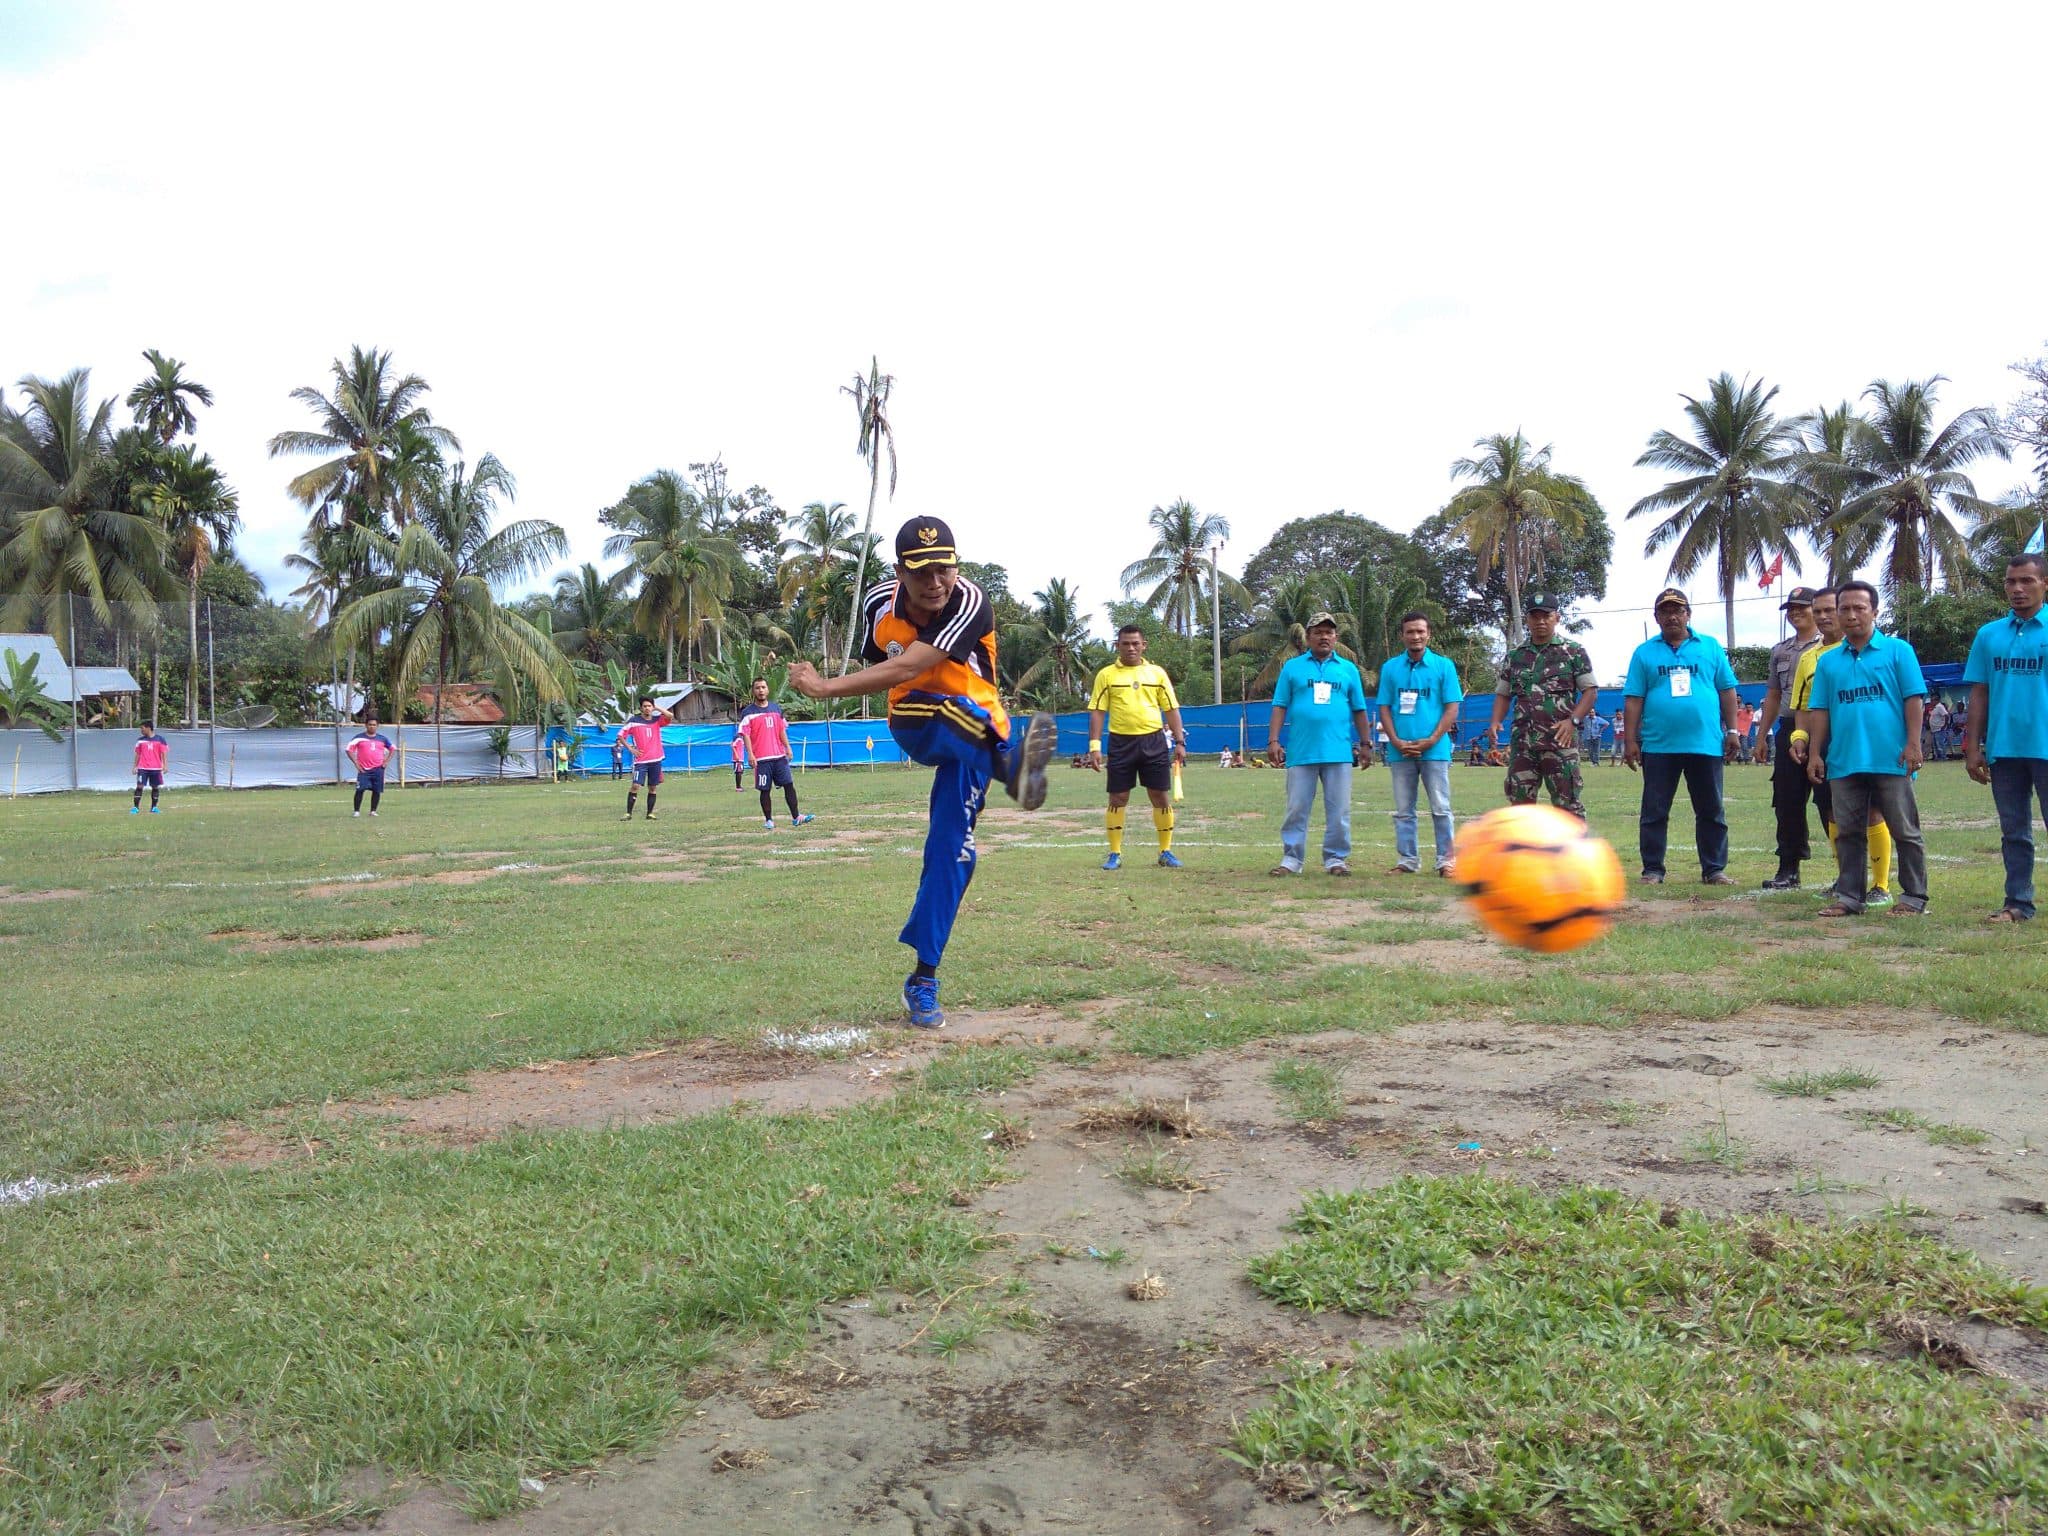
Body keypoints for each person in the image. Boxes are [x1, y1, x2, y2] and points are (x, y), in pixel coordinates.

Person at [789, 516, 1057, 1029]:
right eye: (922, 572)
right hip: (916, 719)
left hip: (980, 734)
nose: (935, 582)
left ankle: (923, 978)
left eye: (944, 569)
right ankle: (1015, 768)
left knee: (951, 853)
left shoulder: (970, 601)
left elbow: (910, 662)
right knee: (945, 710)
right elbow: (894, 670)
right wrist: (824, 682)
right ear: (900, 571)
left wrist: (825, 687)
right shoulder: (876, 605)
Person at [1805, 580, 1929, 916]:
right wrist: (1816, 753)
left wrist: (1914, 744)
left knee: (1905, 831)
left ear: (1875, 611)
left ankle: (1913, 898)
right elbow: (1820, 711)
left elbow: (1913, 699)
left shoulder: (1898, 651)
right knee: (1848, 834)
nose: (1851, 615)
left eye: (1859, 608)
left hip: (1891, 758)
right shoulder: (1829, 662)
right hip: (1844, 761)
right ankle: (1850, 898)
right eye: (1844, 608)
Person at [1621, 588, 1740, 885]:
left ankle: (1714, 869)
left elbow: (1727, 690)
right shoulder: (1644, 652)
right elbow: (1634, 698)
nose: (1672, 616)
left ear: (1689, 614)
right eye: (1665, 611)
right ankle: (1652, 870)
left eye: (1678, 610)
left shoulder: (1710, 647)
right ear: (1656, 617)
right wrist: (1631, 739)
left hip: (1705, 743)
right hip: (1659, 745)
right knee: (1654, 810)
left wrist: (1734, 730)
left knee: (1711, 809)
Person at [1787, 589, 1892, 904]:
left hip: (1864, 738)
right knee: (1833, 812)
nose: (1823, 617)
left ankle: (1881, 886)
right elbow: (1805, 708)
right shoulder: (1809, 658)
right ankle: (1847, 881)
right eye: (1817, 611)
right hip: (1825, 741)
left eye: (1828, 610)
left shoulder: (1876, 650)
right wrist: (1801, 739)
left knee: (1872, 811)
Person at [1963, 552, 2048, 923]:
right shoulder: (1989, 634)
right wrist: (1973, 747)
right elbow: (1979, 692)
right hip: (2004, 749)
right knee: (2014, 832)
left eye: (2027, 581)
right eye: (2011, 582)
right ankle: (2018, 904)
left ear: (2044, 584)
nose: (2018, 589)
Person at [1266, 612, 1372, 876]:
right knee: (1296, 809)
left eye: (1329, 632)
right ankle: (1291, 860)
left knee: (1339, 811)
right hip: (1301, 752)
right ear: (1308, 637)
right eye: (1318, 632)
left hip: (1338, 752)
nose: (1324, 636)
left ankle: (1336, 859)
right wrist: (1273, 740)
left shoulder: (1348, 670)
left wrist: (1366, 743)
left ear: (1335, 638)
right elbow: (1279, 706)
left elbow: (1359, 709)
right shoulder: (1292, 667)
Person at [1085, 624, 1188, 870]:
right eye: (1125, 643)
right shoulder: (1106, 675)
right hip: (1121, 743)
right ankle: (1114, 853)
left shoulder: (1157, 674)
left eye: (1135, 643)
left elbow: (1171, 709)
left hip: (1154, 741)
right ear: (1117, 645)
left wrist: (1180, 741)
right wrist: (1095, 746)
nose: (1130, 648)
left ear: (1144, 646)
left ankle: (1165, 851)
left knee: (1160, 796)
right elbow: (1098, 712)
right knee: (1118, 797)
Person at [1488, 592, 1596, 819]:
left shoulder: (1573, 651)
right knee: (1520, 809)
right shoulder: (1515, 656)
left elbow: (1590, 691)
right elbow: (1503, 694)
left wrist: (1573, 721)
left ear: (1557, 617)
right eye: (1535, 616)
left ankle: (1574, 855)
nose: (1540, 621)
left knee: (1568, 807)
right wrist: (1496, 722)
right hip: (1523, 744)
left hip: (1560, 743)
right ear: (1527, 620)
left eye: (1546, 616)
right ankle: (1523, 854)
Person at [1375, 611, 1462, 876]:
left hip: (1434, 750)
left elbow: (1452, 708)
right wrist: (1396, 741)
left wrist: (1433, 739)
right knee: (1404, 810)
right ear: (1402, 636)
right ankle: (1407, 861)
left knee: (1440, 807)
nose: (1416, 636)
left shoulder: (1444, 665)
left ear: (1428, 634)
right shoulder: (1390, 668)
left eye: (1420, 631)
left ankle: (1446, 861)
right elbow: (1384, 708)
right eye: (1410, 632)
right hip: (1400, 751)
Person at [1755, 587, 1823, 889]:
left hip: (1825, 728)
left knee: (1830, 800)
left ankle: (1847, 869)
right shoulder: (1780, 650)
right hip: (1788, 726)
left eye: (1802, 607)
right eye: (1790, 609)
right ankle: (1788, 868)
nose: (1795, 613)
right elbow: (1773, 694)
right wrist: (1761, 736)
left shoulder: (1833, 645)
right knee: (1786, 802)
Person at [736, 677, 814, 830]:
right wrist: (750, 754)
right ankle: (769, 820)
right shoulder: (748, 712)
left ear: (768, 690)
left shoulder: (776, 709)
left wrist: (788, 747)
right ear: (753, 691)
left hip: (779, 757)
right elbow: (745, 734)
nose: (761, 690)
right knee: (765, 789)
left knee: (789, 785)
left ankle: (796, 816)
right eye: (757, 688)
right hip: (762, 759)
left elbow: (781, 730)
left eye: (763, 687)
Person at [617, 697, 671, 821]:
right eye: (645, 706)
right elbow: (620, 735)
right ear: (641, 708)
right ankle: (628, 813)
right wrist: (631, 749)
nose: (647, 708)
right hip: (641, 761)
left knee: (652, 787)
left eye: (649, 706)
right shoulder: (634, 721)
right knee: (635, 785)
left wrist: (657, 707)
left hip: (656, 759)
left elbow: (670, 715)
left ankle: (650, 813)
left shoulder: (658, 720)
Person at [346, 714, 396, 818]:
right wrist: (356, 763)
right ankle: (356, 811)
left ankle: (373, 811)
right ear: (366, 725)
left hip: (378, 769)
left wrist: (386, 762)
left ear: (377, 726)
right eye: (370, 724)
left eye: (374, 725)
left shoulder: (382, 739)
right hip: (364, 769)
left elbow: (392, 749)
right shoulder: (359, 738)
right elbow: (348, 750)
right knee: (360, 789)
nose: (372, 726)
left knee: (377, 790)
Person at [132, 724, 168, 814]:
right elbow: (138, 754)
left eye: (142, 728)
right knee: (139, 786)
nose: (141, 730)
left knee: (155, 787)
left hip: (156, 768)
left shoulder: (160, 739)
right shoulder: (140, 740)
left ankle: (154, 808)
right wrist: (135, 766)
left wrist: (165, 765)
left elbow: (163, 753)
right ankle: (135, 808)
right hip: (142, 768)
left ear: (148, 728)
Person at [1926, 696, 1951, 762]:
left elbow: (1946, 715)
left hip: (1939, 729)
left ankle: (1943, 757)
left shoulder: (1940, 707)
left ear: (1936, 700)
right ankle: (1938, 757)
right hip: (1934, 729)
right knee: (1935, 745)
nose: (1931, 702)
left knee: (1940, 744)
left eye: (1932, 700)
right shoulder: (1934, 708)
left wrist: (1944, 725)